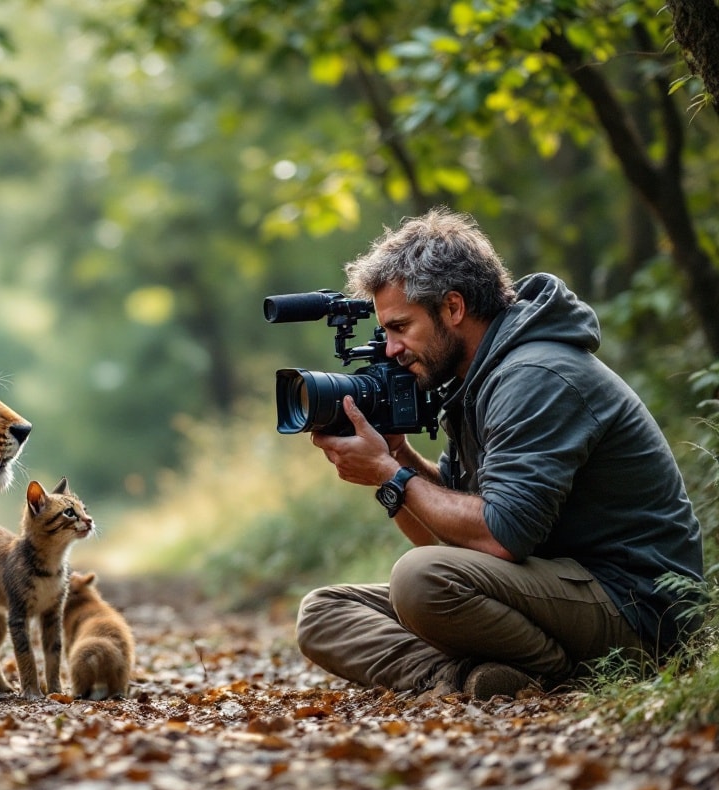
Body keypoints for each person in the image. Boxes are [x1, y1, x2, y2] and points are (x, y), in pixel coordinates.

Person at [296, 207, 704, 700]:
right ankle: (462, 678)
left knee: (419, 580)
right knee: (324, 611)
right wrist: (397, 458)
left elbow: (500, 535)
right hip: (551, 587)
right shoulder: (474, 381)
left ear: (452, 308)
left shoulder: (536, 375)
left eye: (401, 327)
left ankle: (561, 674)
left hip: (635, 608)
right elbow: (447, 531)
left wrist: (389, 473)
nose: (390, 349)